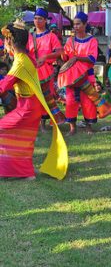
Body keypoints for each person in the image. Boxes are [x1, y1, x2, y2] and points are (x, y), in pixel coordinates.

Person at [0, 21, 68, 180]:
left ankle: (22, 171)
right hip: (29, 106)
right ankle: (25, 172)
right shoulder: (25, 57)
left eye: (5, 40)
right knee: (23, 138)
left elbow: (4, 87)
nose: (4, 44)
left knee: (10, 132)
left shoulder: (20, 62)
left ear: (10, 41)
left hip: (27, 108)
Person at [62, 12, 111, 136]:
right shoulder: (70, 40)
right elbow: (66, 57)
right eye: (74, 24)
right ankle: (72, 128)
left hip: (87, 75)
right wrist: (61, 55)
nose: (75, 27)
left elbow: (92, 59)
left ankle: (89, 127)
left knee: (88, 102)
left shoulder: (92, 41)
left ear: (85, 24)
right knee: (70, 102)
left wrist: (77, 58)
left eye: (78, 24)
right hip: (71, 76)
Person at [27, 8, 65, 129]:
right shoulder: (29, 36)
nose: (37, 21)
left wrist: (46, 56)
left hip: (46, 70)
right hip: (32, 70)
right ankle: (36, 123)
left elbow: (59, 52)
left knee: (46, 96)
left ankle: (45, 123)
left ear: (45, 21)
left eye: (40, 19)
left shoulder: (51, 36)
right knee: (33, 97)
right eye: (35, 18)